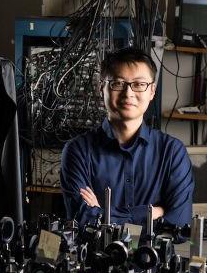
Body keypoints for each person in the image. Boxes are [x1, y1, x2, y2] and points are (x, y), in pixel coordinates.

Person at [60, 47, 194, 229]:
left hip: (155, 256)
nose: (128, 93)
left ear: (152, 91)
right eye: (118, 83)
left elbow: (179, 224)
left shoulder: (172, 152)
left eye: (139, 84)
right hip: (97, 255)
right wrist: (152, 212)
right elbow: (83, 219)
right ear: (102, 89)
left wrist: (102, 213)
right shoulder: (78, 150)